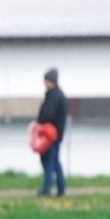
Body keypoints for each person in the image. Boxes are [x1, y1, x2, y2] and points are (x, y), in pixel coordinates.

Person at [36, 68, 68, 197]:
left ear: (51, 81)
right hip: (57, 134)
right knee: (54, 162)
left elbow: (48, 114)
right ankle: (61, 188)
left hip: (51, 135)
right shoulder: (59, 94)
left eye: (46, 81)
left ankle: (47, 188)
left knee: (48, 162)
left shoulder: (53, 96)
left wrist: (39, 123)